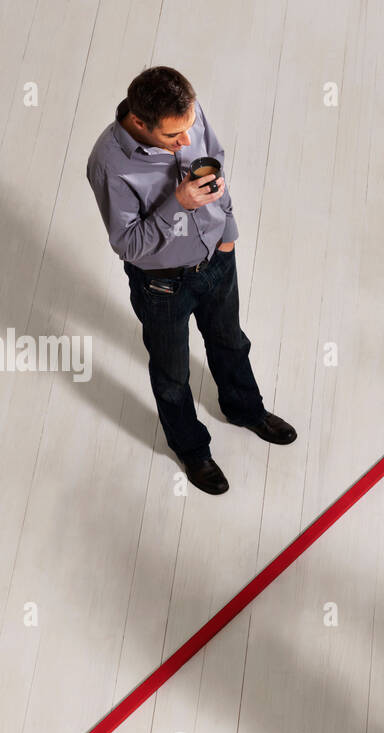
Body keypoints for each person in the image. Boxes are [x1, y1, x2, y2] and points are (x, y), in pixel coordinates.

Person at [85, 66, 296, 495]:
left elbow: (216, 164)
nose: (186, 141)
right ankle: (192, 448)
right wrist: (177, 204)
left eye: (189, 126)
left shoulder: (187, 115)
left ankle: (244, 409)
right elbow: (129, 245)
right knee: (172, 376)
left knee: (231, 343)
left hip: (217, 260)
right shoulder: (109, 164)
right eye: (172, 137)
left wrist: (228, 236)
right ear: (140, 123)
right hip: (163, 286)